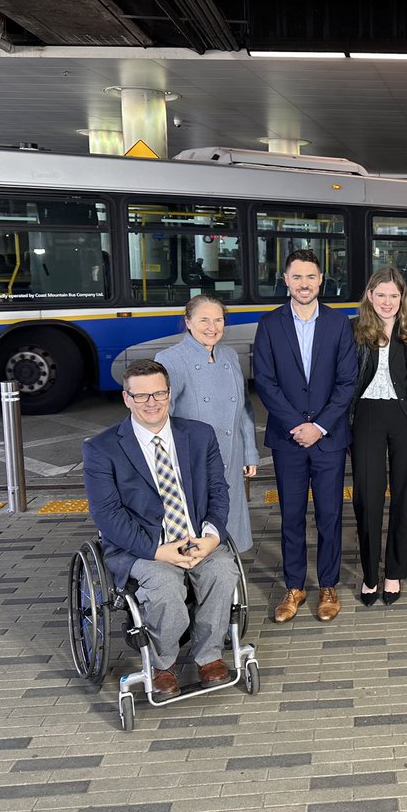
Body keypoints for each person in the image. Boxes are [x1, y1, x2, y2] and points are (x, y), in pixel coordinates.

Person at [82, 359, 238, 700]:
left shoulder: (198, 435)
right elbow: (107, 515)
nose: (151, 402)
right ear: (126, 399)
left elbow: (218, 490)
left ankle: (209, 656)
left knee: (224, 571)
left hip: (196, 538)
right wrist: (157, 551)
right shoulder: (102, 449)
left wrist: (211, 537)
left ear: (170, 394)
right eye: (141, 396)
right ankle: (162, 664)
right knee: (166, 585)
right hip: (141, 547)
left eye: (158, 393)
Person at [254, 249, 357, 623]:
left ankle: (328, 584)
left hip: (328, 438)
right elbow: (265, 382)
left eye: (311, 277)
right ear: (285, 280)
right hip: (288, 439)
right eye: (297, 277)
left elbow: (347, 382)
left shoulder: (339, 323)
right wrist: (297, 425)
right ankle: (294, 586)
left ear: (321, 280)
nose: (304, 284)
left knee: (330, 515)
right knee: (292, 516)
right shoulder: (269, 325)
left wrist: (320, 426)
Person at [156, 294, 258, 553]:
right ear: (187, 322)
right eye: (204, 320)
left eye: (218, 320)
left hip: (231, 457)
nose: (212, 327)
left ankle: (229, 578)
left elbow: (244, 407)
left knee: (230, 526)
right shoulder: (170, 359)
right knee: (199, 531)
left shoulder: (230, 355)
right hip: (194, 460)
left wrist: (249, 452)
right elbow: (162, 417)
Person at [350, 267, 407, 607]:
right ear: (370, 295)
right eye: (380, 294)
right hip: (366, 414)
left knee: (403, 496)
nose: (387, 301)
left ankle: (394, 571)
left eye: (393, 295)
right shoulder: (355, 330)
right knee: (367, 495)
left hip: (405, 417)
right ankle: (369, 574)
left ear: (402, 297)